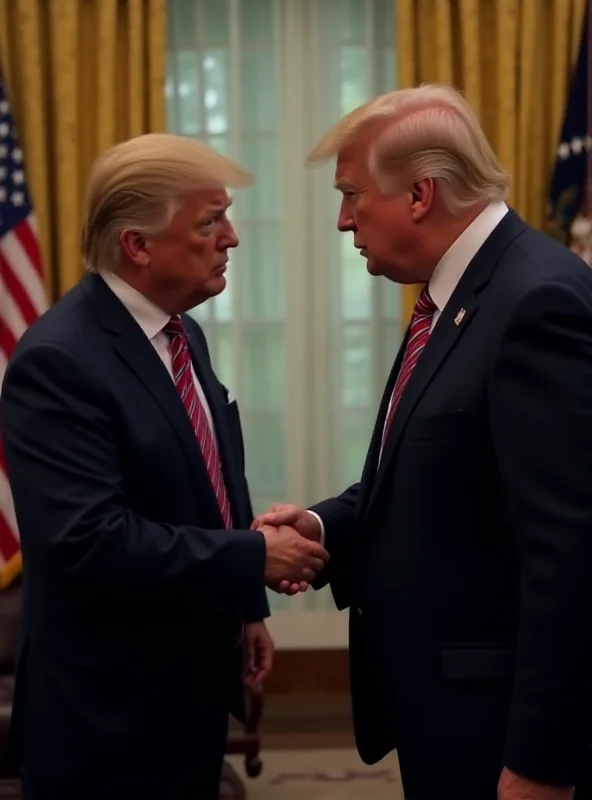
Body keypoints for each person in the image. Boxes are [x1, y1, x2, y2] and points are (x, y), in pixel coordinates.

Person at [254, 85, 592, 800]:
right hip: (447, 712)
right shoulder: (461, 297)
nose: (343, 221)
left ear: (418, 195)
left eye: (351, 196)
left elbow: (571, 553)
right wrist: (320, 527)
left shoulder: (535, 302)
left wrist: (542, 762)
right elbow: (442, 481)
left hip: (501, 731)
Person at [0, 133, 328, 800]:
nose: (231, 238)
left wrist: (245, 609)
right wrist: (250, 558)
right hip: (106, 716)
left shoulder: (181, 331)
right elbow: (89, 543)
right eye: (210, 222)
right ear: (138, 246)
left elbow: (203, 476)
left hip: (186, 688)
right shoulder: (59, 361)